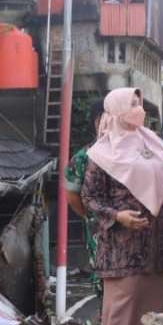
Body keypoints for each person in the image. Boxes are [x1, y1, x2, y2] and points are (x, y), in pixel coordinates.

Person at [81, 88, 163, 325]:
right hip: (123, 247)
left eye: (139, 103)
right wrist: (117, 216)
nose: (139, 109)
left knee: (155, 312)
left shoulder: (154, 142)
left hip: (158, 242)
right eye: (132, 104)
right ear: (116, 111)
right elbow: (90, 197)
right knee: (124, 306)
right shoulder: (102, 153)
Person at [64, 100, 106, 280]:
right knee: (105, 289)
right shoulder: (83, 158)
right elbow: (72, 197)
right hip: (101, 238)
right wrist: (93, 215)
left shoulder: (133, 151)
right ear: (98, 121)